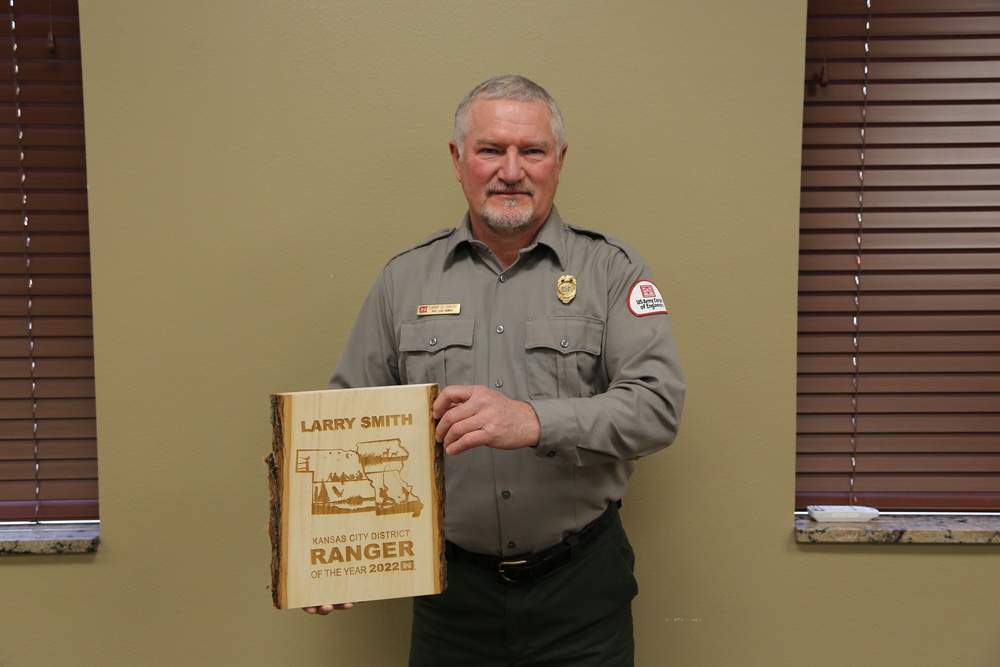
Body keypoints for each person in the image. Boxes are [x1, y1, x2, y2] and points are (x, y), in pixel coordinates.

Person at [306, 74, 685, 667]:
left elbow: (658, 408)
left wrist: (533, 420)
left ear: (558, 161)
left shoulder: (613, 271)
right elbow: (346, 421)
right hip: (452, 597)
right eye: (490, 150)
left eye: (531, 151)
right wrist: (334, 553)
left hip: (580, 591)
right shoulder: (404, 280)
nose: (511, 170)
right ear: (458, 161)